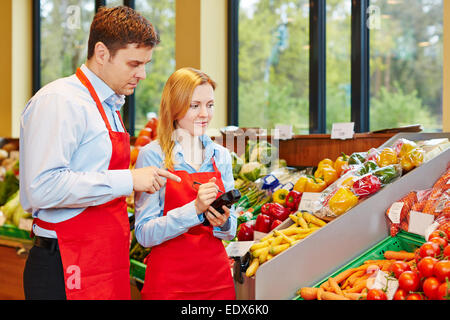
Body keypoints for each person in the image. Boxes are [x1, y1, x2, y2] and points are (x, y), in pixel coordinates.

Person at [19, 6, 180, 300]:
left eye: (146, 63)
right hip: (65, 265)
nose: (142, 74)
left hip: (103, 261)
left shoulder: (109, 104)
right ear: (102, 53)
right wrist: (128, 180)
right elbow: (42, 188)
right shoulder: (60, 101)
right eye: (134, 64)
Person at [134, 67, 237, 300]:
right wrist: (195, 210)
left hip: (216, 283)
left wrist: (223, 223)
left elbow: (231, 231)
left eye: (210, 105)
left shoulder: (220, 156)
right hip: (168, 285)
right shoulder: (153, 156)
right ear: (175, 107)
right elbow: (144, 233)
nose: (205, 114)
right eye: (194, 105)